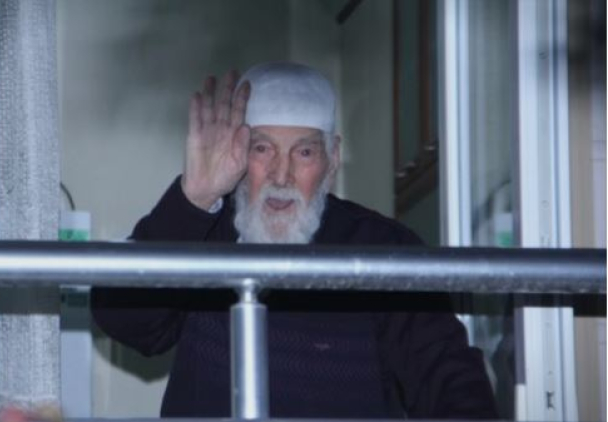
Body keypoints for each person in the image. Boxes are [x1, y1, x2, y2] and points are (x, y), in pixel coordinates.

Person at [91, 62, 498, 418]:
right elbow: (123, 320)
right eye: (262, 149)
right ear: (237, 153)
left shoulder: (382, 248)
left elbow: (451, 381)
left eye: (303, 153)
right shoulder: (204, 232)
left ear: (332, 159)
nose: (281, 175)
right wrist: (193, 199)